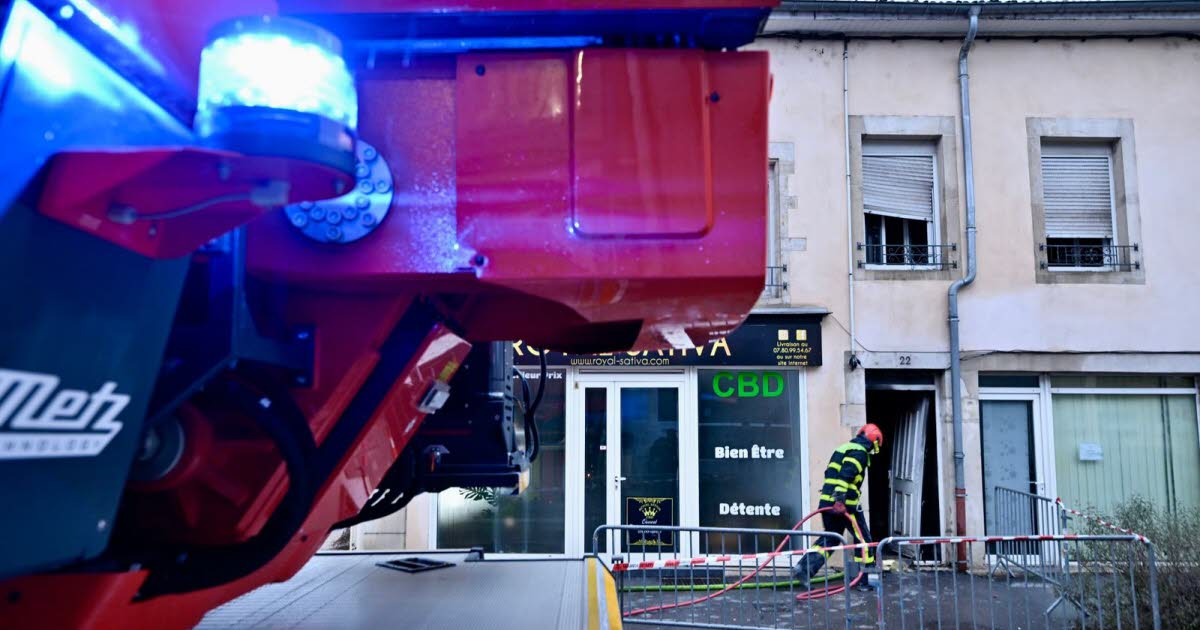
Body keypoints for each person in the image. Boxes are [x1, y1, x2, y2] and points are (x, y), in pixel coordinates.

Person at [794, 423, 883, 588]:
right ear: (874, 441)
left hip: (827, 503)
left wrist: (833, 499)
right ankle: (865, 581)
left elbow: (830, 473)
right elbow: (844, 476)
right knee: (864, 541)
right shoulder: (860, 452)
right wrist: (840, 501)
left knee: (831, 539)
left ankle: (804, 569)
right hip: (845, 506)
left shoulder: (843, 448)